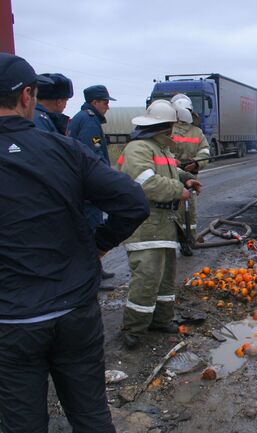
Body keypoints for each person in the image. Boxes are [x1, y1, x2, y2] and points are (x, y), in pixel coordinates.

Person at [0, 53, 149, 433]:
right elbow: (133, 203)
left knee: (21, 423)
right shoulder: (63, 149)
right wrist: (99, 245)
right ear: (27, 96)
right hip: (73, 312)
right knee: (90, 415)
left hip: (10, 323)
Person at [117, 99, 201, 349]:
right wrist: (179, 190)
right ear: (162, 126)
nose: (174, 131)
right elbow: (146, 183)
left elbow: (171, 172)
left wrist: (186, 179)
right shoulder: (138, 149)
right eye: (171, 126)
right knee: (147, 278)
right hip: (146, 225)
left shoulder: (161, 149)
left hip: (164, 224)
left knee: (165, 278)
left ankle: (160, 320)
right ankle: (134, 329)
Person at [68, 84, 117, 279]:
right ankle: (92, 275)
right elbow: (93, 155)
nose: (108, 107)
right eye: (105, 102)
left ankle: (95, 270)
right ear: (94, 102)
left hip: (83, 182)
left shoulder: (84, 118)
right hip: (89, 185)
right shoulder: (89, 121)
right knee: (92, 228)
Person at [170, 94, 211, 256]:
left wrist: (196, 162)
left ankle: (183, 242)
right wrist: (197, 162)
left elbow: (205, 152)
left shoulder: (169, 128)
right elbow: (205, 152)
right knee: (187, 210)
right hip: (181, 175)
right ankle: (186, 241)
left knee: (178, 211)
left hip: (174, 175)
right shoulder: (196, 131)